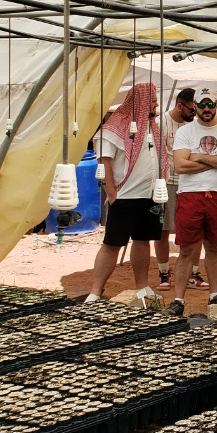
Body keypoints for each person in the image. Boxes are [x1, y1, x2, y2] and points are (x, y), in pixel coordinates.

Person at [85, 83, 164, 302]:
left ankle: (142, 287)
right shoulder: (115, 126)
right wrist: (112, 194)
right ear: (139, 101)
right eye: (152, 99)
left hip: (150, 195)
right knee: (112, 243)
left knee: (143, 241)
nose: (156, 103)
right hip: (124, 196)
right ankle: (95, 291)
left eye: (156, 98)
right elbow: (105, 161)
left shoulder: (152, 125)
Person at [165, 87, 217, 317]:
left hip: (216, 193)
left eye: (211, 105)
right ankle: (178, 299)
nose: (207, 109)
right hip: (190, 193)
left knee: (213, 247)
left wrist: (199, 156)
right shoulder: (186, 131)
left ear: (216, 105)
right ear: (195, 106)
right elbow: (180, 165)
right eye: (202, 105)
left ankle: (214, 295)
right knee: (186, 249)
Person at [155, 87, 199, 291]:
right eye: (191, 109)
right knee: (162, 231)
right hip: (166, 182)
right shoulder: (161, 122)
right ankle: (164, 272)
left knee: (193, 230)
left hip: (190, 183)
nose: (194, 114)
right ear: (179, 105)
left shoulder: (196, 125)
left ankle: (193, 272)